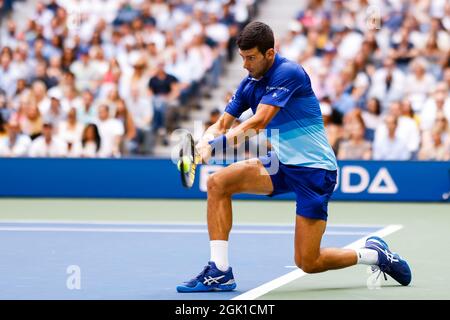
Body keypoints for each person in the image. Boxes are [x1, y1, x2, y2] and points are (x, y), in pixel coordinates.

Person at [176, 22, 411, 293]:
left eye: (251, 58)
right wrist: (204, 141)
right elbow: (222, 123)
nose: (245, 64)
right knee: (218, 183)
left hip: (315, 171)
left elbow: (259, 122)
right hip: (282, 164)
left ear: (270, 54)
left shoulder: (289, 73)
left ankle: (374, 254)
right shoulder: (248, 84)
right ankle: (219, 272)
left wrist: (214, 147)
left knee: (308, 261)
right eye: (242, 58)